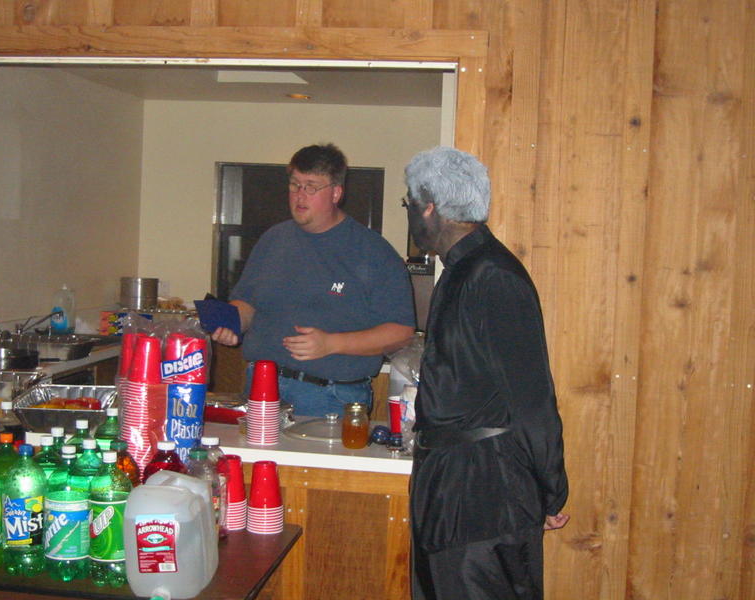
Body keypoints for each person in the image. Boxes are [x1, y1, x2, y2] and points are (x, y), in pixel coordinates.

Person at [404, 147, 569, 599]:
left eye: (409, 204)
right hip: (454, 491)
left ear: (429, 207)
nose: (410, 215)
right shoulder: (463, 271)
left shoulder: (492, 276)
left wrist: (550, 490)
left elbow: (532, 399)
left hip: (484, 499)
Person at [212, 143, 415, 417]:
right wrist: (232, 322)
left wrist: (332, 344)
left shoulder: (372, 251)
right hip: (260, 385)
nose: (300, 195)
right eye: (295, 185)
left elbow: (401, 332)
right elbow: (248, 302)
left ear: (336, 193)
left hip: (330, 396)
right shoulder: (273, 240)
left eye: (311, 187)